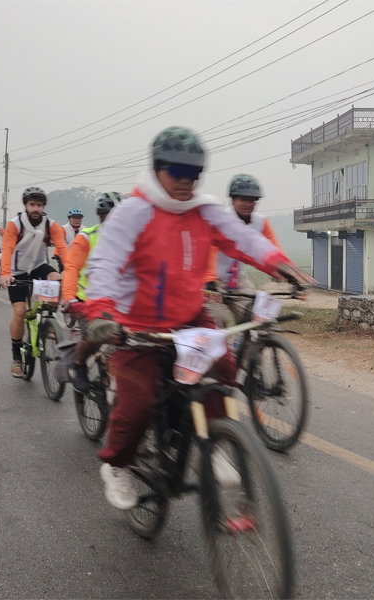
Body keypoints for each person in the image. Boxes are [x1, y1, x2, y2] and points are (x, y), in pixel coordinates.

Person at [77, 126, 313, 510]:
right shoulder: (133, 213)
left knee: (223, 363)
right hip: (136, 326)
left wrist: (277, 263)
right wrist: (100, 309)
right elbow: (105, 263)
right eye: (178, 173)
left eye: (195, 174)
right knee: (136, 403)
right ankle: (116, 465)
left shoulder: (204, 210)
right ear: (157, 170)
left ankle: (214, 440)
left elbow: (242, 238)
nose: (187, 182)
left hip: (189, 318)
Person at [0, 187, 69, 377]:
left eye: (39, 205)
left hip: (38, 266)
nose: (36, 209)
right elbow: (7, 248)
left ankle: (49, 319)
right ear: (26, 206)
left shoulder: (50, 225)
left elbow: (62, 248)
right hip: (16, 271)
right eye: (32, 205)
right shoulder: (15, 225)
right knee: (20, 311)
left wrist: (71, 271)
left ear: (44, 206)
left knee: (59, 280)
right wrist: (5, 273)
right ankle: (16, 358)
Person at [204, 173, 284, 325]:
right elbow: (210, 249)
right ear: (233, 200)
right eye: (243, 199)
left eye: (252, 200)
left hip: (238, 280)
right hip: (214, 280)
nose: (248, 204)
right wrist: (209, 281)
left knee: (257, 316)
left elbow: (273, 249)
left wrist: (283, 270)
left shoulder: (260, 222)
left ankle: (247, 347)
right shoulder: (221, 219)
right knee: (216, 319)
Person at [61, 192, 120, 390]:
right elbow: (71, 269)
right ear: (101, 217)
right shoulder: (86, 238)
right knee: (100, 335)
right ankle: (78, 365)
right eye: (110, 215)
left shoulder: (133, 239)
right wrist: (70, 298)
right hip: (88, 300)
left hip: (121, 302)